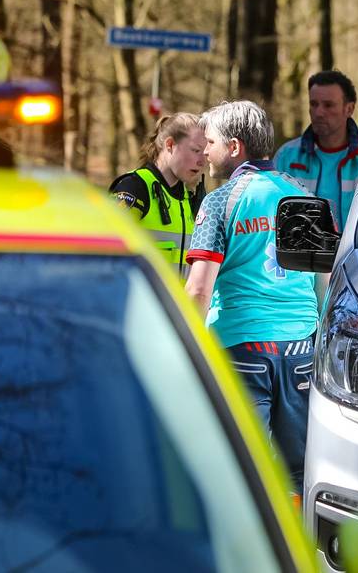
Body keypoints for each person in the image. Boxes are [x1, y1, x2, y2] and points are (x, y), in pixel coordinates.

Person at [185, 100, 318, 493]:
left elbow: (198, 289)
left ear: (235, 147)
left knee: (242, 468)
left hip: (241, 346)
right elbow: (322, 278)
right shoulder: (303, 195)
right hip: (300, 348)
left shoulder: (220, 201)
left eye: (210, 142)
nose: (204, 151)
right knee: (299, 471)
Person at [109, 113, 206, 276]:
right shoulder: (134, 187)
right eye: (196, 150)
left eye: (205, 152)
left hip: (176, 301)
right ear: (170, 145)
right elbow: (108, 254)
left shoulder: (189, 198)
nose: (202, 161)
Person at [274, 70, 358, 231]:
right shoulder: (286, 156)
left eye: (328, 105)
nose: (318, 113)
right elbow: (271, 215)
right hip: (301, 254)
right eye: (313, 104)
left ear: (349, 109)